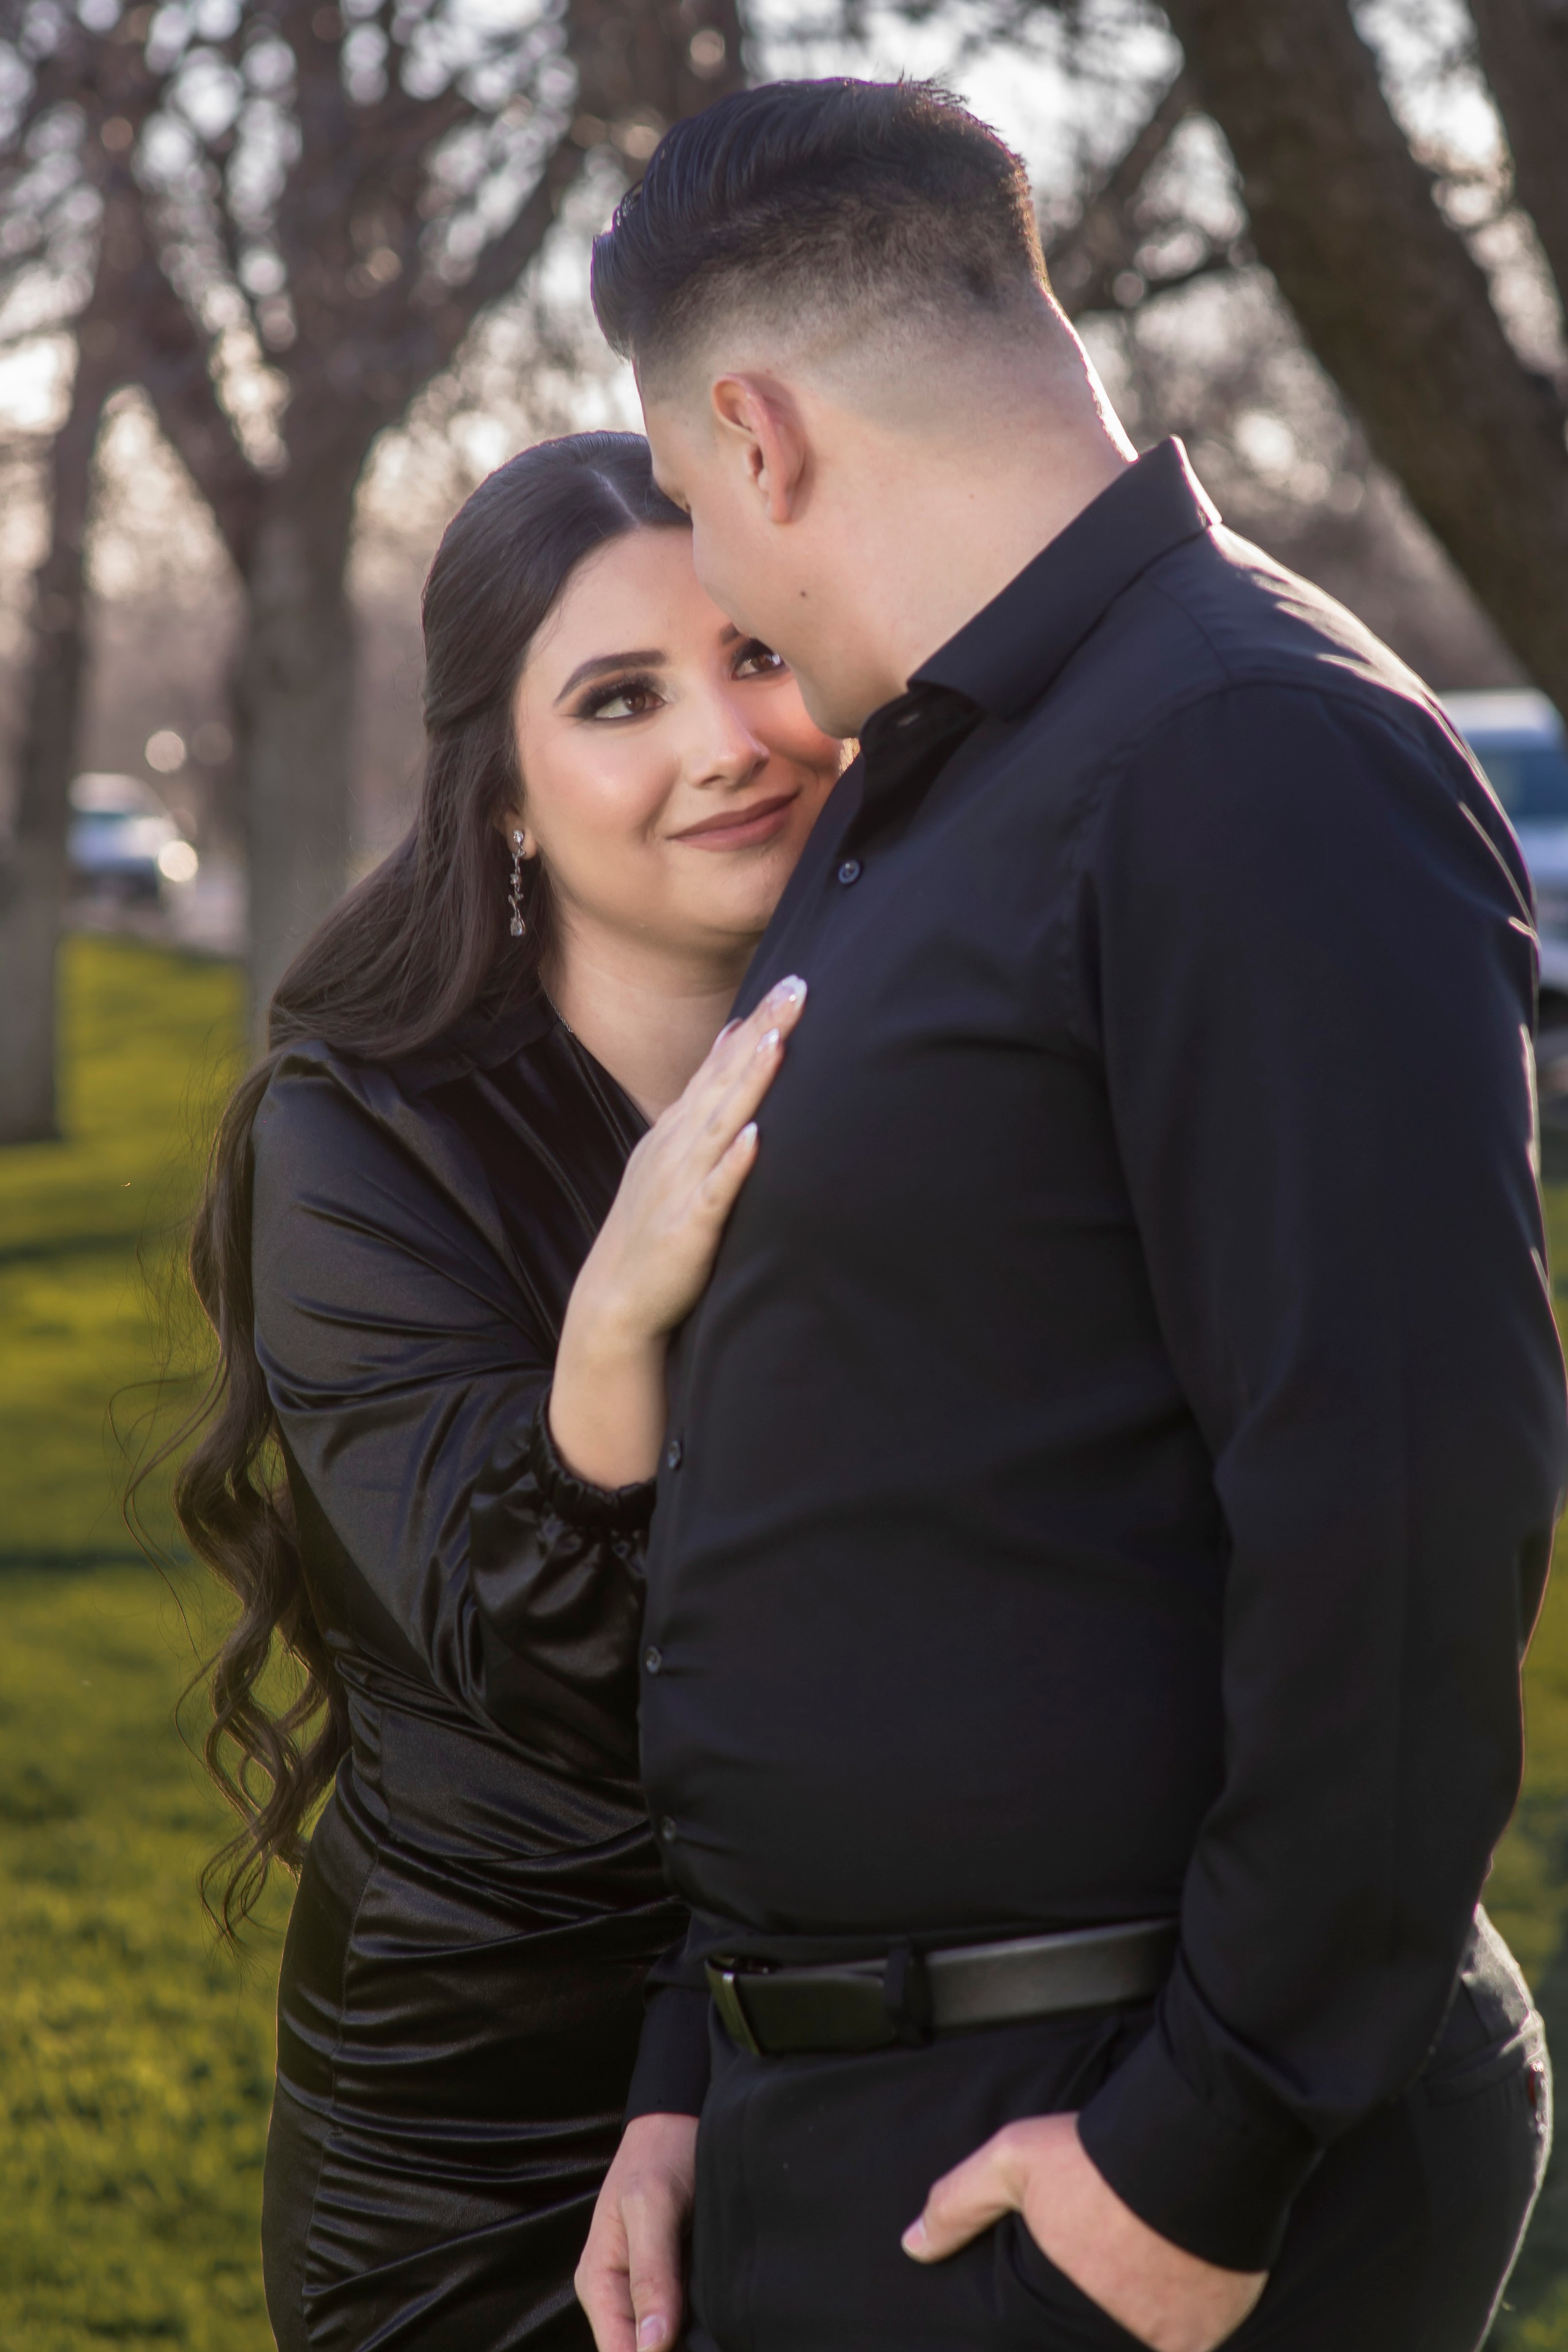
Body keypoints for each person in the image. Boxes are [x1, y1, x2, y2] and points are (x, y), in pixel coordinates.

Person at [571, 79, 1568, 2352]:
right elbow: (850, 1464)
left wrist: (1203, 2154)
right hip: (857, 2118)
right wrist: (697, 2060)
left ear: (757, 433)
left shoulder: (1248, 751)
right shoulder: (924, 783)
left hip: (1110, 2143)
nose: (712, 582)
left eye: (685, 503)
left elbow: (1403, 1496)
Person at [172, 430, 842, 2351]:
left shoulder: (921, 1054)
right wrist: (617, 1322)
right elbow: (547, 1665)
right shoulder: (361, 1140)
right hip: (485, 2132)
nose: (727, 739)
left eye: (758, 657)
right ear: (510, 797)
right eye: (621, 697)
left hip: (853, 2043)